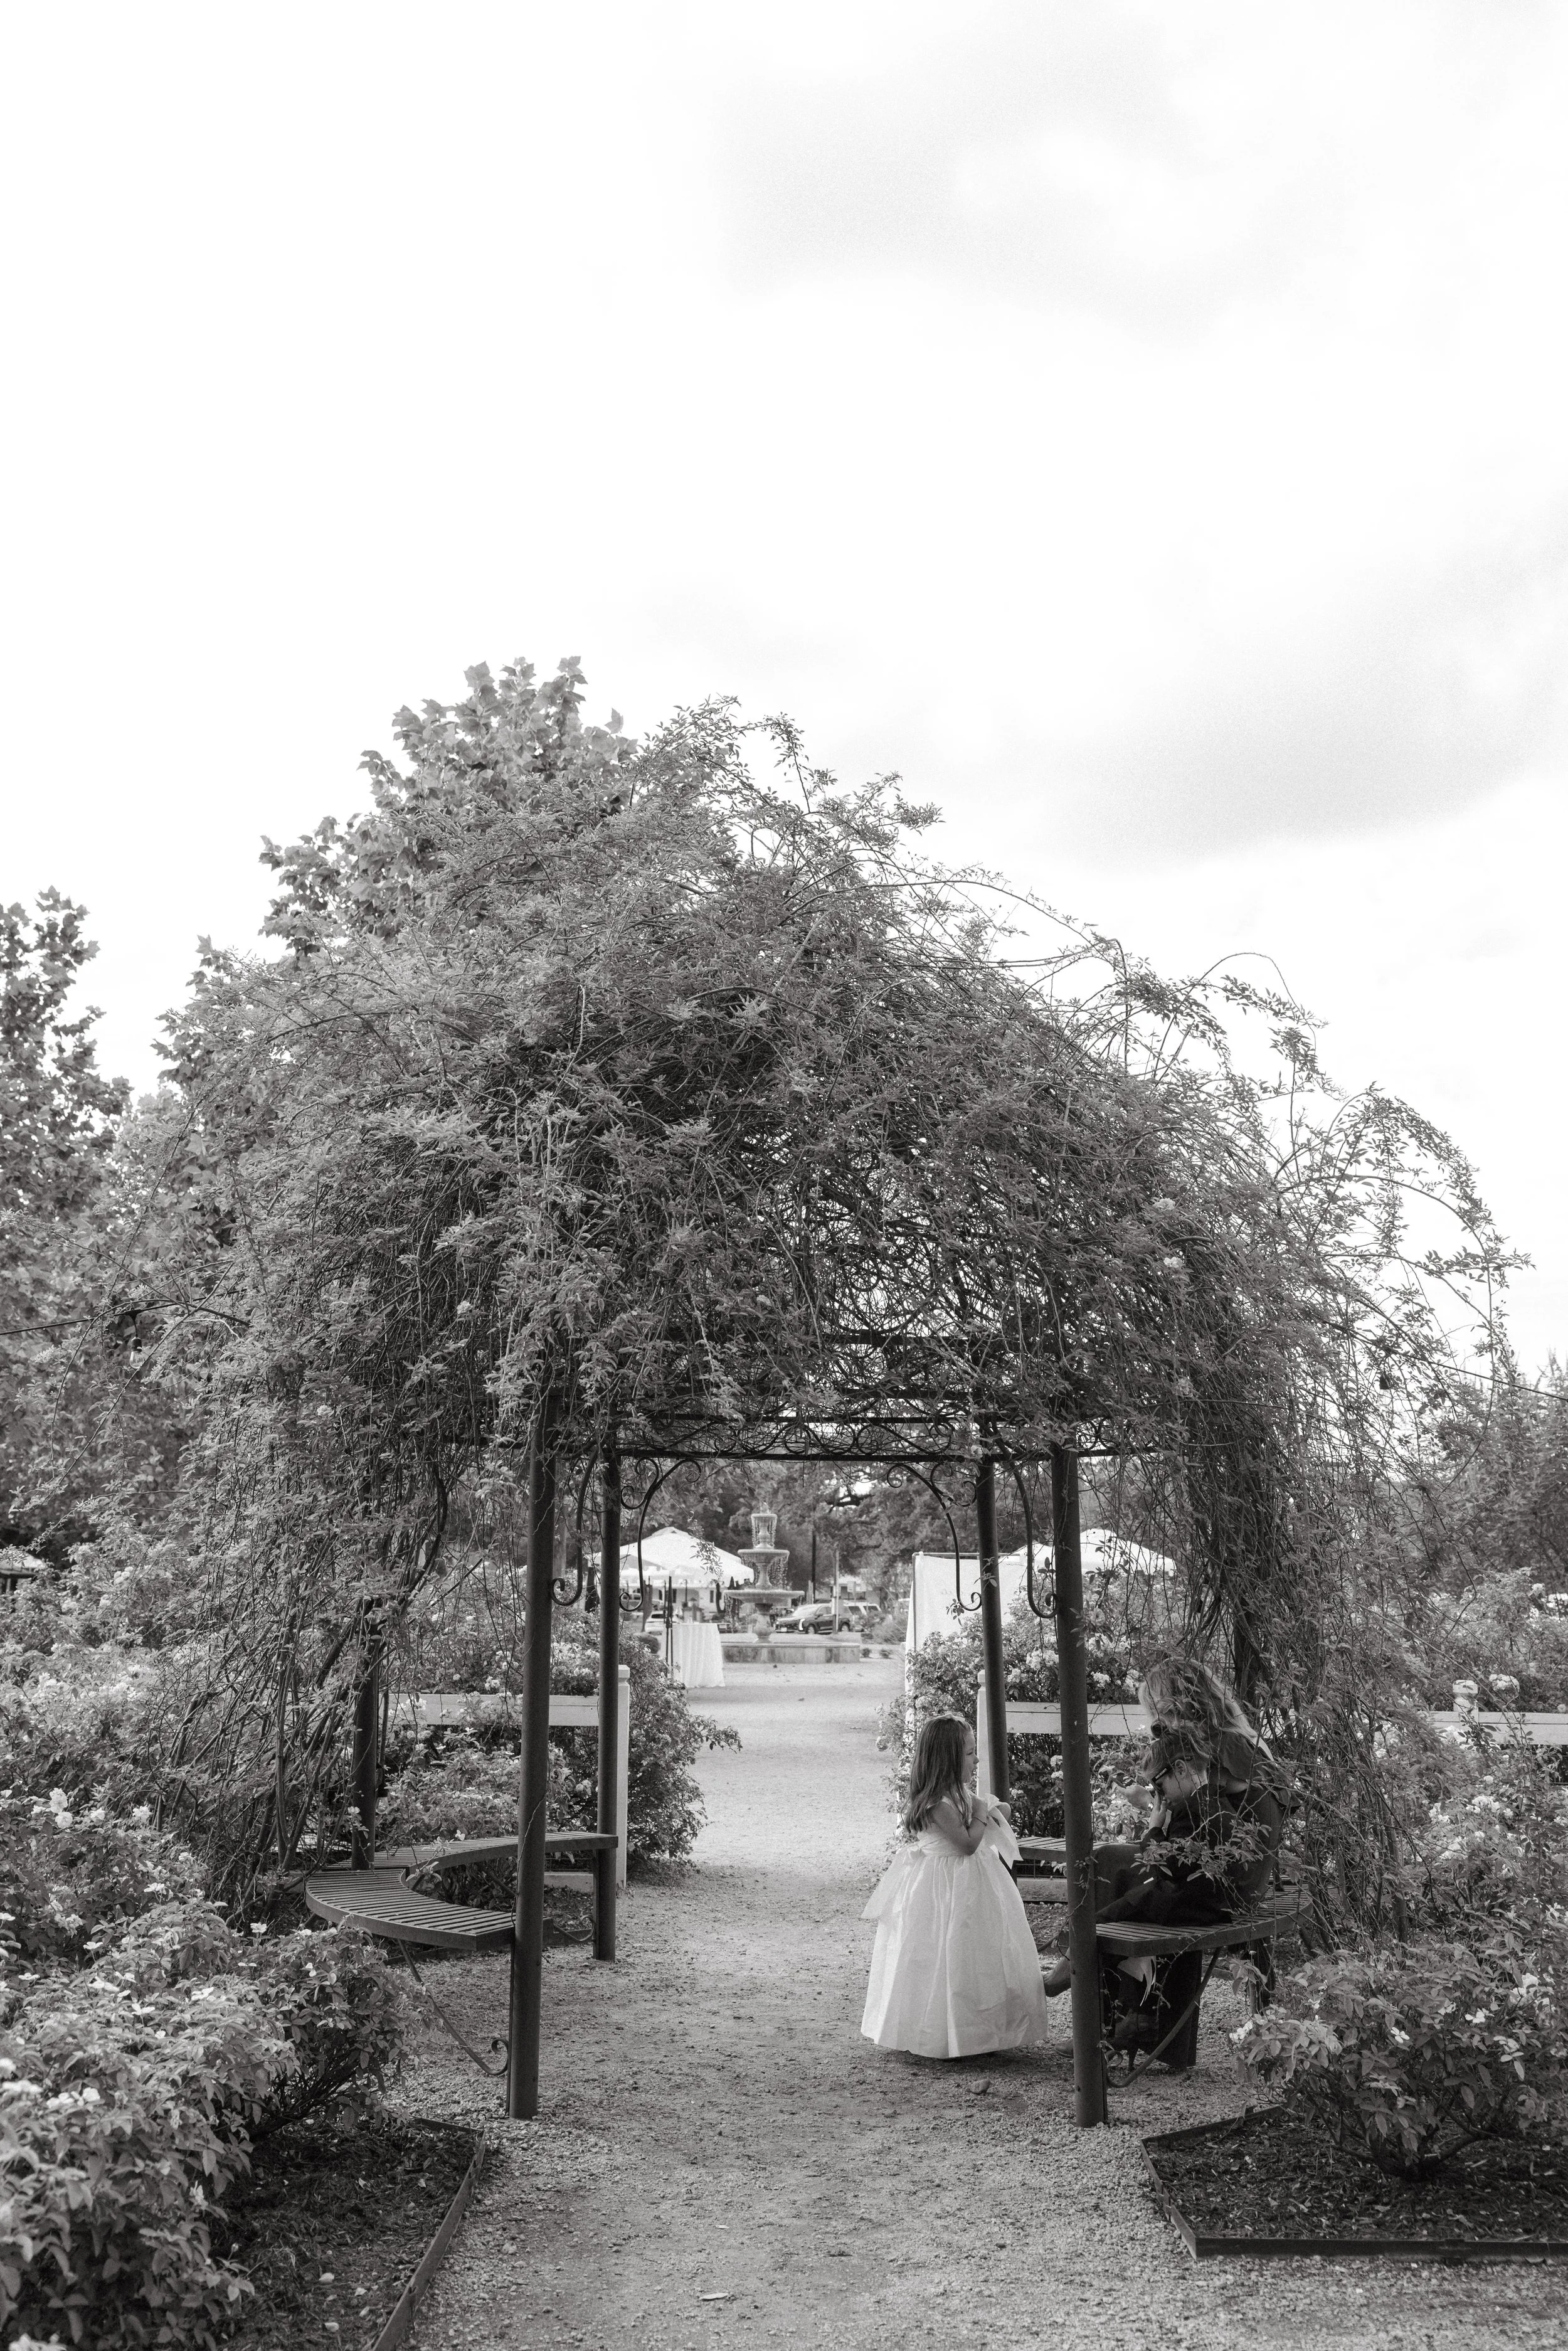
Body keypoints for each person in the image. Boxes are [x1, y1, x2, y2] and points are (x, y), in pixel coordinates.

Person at [1041, 1655, 1286, 2061]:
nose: (1159, 1724)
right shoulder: (1236, 1738)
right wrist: (1156, 1808)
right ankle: (1128, 2018)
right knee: (1111, 1862)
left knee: (1116, 1871)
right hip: (1231, 1874)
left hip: (1223, 1883)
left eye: (1158, 1713)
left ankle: (1108, 2017)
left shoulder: (1218, 1746)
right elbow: (1201, 1824)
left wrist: (1153, 1810)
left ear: (1177, 1707)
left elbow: (1194, 1832)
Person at [861, 1712, 1049, 2059]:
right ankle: (937, 2034)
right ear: (947, 1758)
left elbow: (997, 1815)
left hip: (974, 1882)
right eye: (969, 1753)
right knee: (942, 1955)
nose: (976, 1759)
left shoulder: (960, 1794)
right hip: (942, 1884)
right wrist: (981, 1811)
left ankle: (984, 2032)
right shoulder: (936, 1804)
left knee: (979, 1954)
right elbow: (966, 1844)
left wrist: (993, 1809)